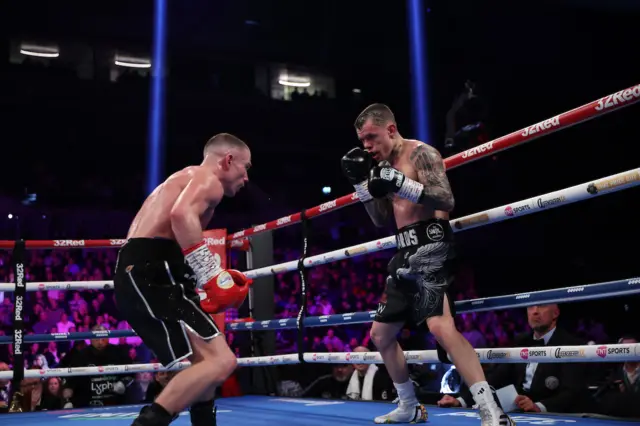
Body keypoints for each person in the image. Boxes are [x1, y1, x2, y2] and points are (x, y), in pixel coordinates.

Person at [341, 104, 513, 425]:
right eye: (362, 140)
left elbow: (446, 199)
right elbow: (381, 219)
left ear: (390, 129)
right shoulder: (380, 165)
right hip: (403, 252)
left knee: (439, 326)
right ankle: (409, 405)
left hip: (432, 245)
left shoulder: (422, 154)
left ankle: (489, 408)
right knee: (380, 335)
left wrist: (399, 182)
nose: (366, 146)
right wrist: (362, 186)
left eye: (371, 138)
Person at [113, 133, 253, 426]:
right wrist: (211, 274)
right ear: (228, 160)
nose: (246, 177)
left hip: (151, 266)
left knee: (207, 363)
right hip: (152, 268)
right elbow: (181, 215)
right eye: (245, 167)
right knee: (222, 362)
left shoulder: (185, 177)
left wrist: (200, 278)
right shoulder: (208, 179)